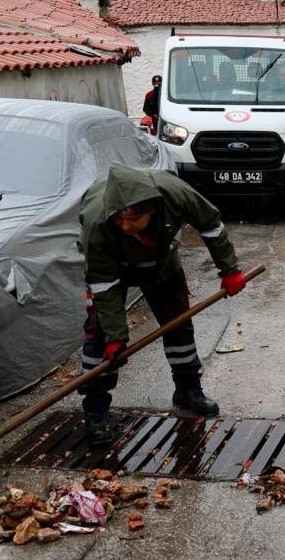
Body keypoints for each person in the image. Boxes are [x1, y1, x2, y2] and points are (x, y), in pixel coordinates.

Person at [76, 164, 247, 444]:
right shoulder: (98, 222)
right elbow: (103, 286)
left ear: (152, 209)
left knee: (179, 326)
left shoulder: (175, 194)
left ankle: (188, 390)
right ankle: (96, 411)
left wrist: (229, 269)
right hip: (111, 270)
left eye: (132, 219)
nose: (124, 226)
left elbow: (211, 226)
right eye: (119, 219)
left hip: (161, 263)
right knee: (101, 337)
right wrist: (116, 336)